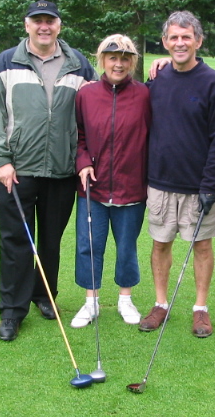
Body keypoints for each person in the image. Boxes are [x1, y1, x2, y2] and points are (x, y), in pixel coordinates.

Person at [0, 0, 98, 341]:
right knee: (16, 241)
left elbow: (98, 106)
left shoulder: (79, 64)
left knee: (50, 240)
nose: (44, 26)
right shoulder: (7, 62)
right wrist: (1, 160)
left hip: (62, 171)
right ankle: (12, 311)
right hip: (17, 171)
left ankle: (44, 295)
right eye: (38, 20)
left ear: (59, 25)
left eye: (50, 20)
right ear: (27, 24)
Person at [138, 11, 215, 338]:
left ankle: (200, 309)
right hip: (160, 182)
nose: (180, 43)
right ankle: (161, 303)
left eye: (186, 37)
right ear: (165, 42)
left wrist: (210, 185)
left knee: (202, 247)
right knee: (160, 244)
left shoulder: (213, 82)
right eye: (173, 38)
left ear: (198, 41)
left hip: (198, 186)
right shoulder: (157, 80)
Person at [70, 34, 151, 328]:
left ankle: (125, 298)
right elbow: (78, 137)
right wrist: (82, 164)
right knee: (88, 245)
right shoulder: (86, 95)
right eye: (112, 57)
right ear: (102, 60)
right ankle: (90, 302)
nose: (119, 64)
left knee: (127, 246)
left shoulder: (144, 95)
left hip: (132, 188)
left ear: (133, 62)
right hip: (93, 188)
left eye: (125, 58)